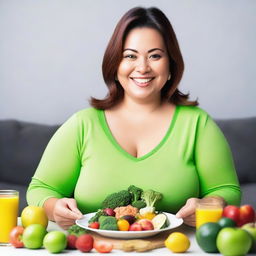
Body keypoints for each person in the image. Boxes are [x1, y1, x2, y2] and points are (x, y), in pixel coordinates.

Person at [27, 7, 241, 229]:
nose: (143, 67)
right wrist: (54, 208)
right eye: (130, 56)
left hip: (178, 249)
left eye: (155, 56)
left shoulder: (198, 124)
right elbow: (40, 189)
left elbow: (227, 190)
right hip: (94, 249)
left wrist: (211, 203)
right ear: (115, 63)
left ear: (171, 63)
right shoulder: (82, 125)